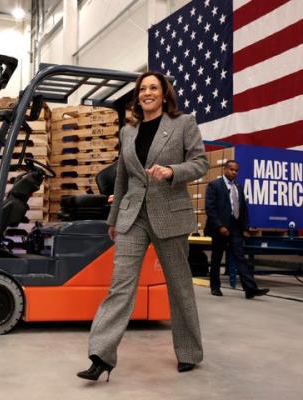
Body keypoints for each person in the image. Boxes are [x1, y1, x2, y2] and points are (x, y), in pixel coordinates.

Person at [76, 71, 208, 382]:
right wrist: (113, 220)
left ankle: (189, 352)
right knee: (120, 286)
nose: (147, 93)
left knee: (179, 288)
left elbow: (200, 162)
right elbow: (122, 176)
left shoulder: (183, 123)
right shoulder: (129, 131)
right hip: (132, 216)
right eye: (143, 88)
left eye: (153, 88)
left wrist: (172, 171)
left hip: (170, 215)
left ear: (164, 94)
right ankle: (101, 355)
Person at [204, 160, 270, 299]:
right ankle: (215, 287)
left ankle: (250, 289)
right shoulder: (214, 185)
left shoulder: (238, 187)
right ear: (225, 169)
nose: (234, 172)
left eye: (236, 170)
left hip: (235, 228)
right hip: (219, 228)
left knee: (240, 257)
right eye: (232, 169)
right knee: (216, 258)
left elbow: (243, 209)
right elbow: (210, 209)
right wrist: (219, 226)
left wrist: (245, 228)